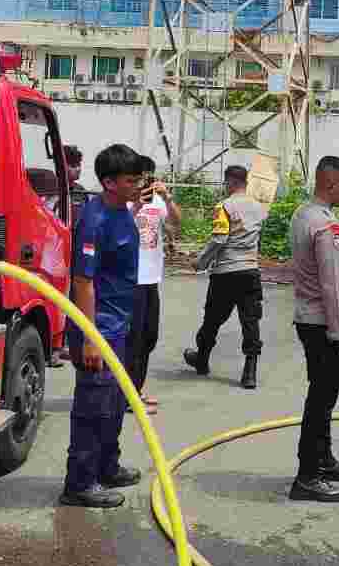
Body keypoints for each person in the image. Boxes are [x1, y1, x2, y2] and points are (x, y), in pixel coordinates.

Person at [60, 143, 146, 509]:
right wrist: (90, 339)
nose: (138, 185)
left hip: (119, 323)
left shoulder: (121, 210)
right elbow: (83, 282)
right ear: (109, 183)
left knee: (113, 403)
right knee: (93, 408)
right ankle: (80, 483)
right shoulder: (94, 221)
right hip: (99, 327)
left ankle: (107, 467)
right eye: (131, 180)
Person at [286, 156, 339, 502]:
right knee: (320, 400)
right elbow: (331, 284)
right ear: (331, 183)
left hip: (312, 319)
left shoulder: (304, 214)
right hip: (323, 324)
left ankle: (324, 461)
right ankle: (307, 477)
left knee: (325, 396)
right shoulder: (324, 225)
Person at [184, 164, 268, 388]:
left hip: (226, 273)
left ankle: (202, 360)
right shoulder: (259, 208)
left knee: (212, 319)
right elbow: (258, 239)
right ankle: (249, 373)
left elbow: (219, 238)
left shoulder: (224, 206)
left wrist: (200, 262)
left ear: (230, 182)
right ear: (246, 182)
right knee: (250, 322)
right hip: (250, 271)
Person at [128, 153, 181, 412]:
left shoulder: (158, 201)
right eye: (142, 178)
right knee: (134, 340)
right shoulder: (127, 203)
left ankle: (136, 390)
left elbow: (175, 225)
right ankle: (128, 397)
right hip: (132, 280)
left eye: (149, 177)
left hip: (152, 278)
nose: (146, 183)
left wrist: (168, 197)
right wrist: (137, 204)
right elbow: (120, 226)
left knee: (149, 337)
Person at [49, 144, 92, 369]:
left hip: (76, 253)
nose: (77, 170)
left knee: (75, 297)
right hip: (55, 254)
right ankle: (53, 347)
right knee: (55, 297)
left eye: (78, 165)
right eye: (72, 165)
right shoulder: (51, 190)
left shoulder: (81, 193)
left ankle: (66, 343)